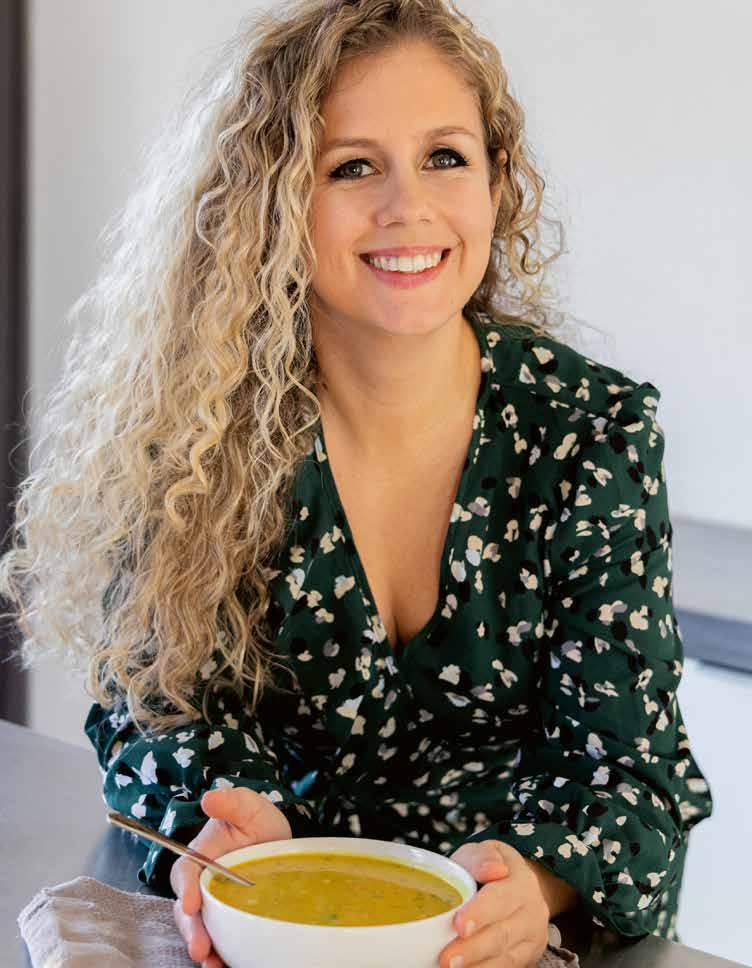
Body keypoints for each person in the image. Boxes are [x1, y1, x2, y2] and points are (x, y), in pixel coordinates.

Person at [0, 1, 713, 967]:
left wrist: (535, 886)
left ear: (497, 184)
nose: (406, 206)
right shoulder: (195, 429)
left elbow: (631, 770)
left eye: (445, 157)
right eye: (351, 167)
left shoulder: (591, 429)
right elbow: (158, 713)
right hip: (274, 924)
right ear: (271, 201)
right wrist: (235, 823)